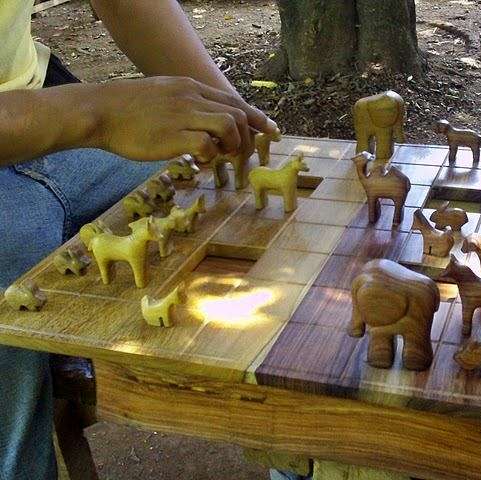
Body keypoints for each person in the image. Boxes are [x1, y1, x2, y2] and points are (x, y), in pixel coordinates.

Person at [0, 1, 306, 479]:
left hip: (40, 103)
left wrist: (225, 109)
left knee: (240, 204)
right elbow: (97, 116)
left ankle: (307, 439)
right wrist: (98, 114)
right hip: (56, 117)